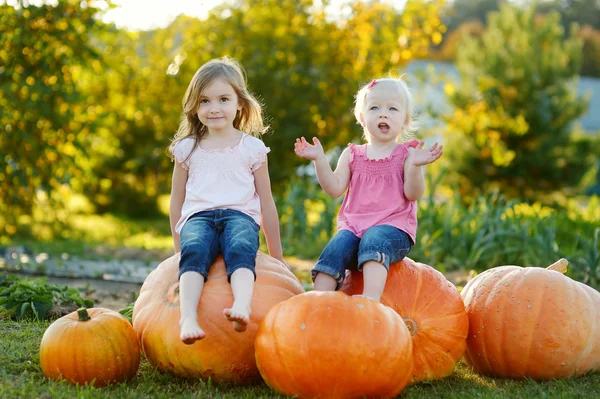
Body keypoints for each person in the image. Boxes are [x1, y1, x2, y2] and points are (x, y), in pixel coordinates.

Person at [169, 56, 285, 344]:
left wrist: (278, 256)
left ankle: (242, 305)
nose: (214, 108)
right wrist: (176, 248)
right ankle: (188, 318)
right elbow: (176, 200)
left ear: (239, 103)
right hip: (198, 217)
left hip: (240, 216)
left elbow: (267, 203)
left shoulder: (252, 149)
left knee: (241, 245)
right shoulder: (187, 149)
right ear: (195, 107)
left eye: (223, 99)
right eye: (205, 101)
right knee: (194, 249)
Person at [294, 77, 443, 302]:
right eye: (375, 107)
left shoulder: (406, 155)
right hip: (354, 230)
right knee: (336, 246)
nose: (383, 113)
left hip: (394, 230)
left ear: (404, 120)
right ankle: (318, 302)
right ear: (362, 118)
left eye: (392, 108)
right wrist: (319, 160)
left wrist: (414, 167)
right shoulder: (352, 155)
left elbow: (413, 194)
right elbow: (334, 188)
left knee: (375, 238)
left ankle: (370, 300)